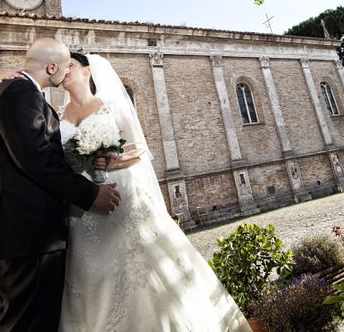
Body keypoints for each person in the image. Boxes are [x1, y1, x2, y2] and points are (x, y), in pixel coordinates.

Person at [57, 52, 251, 331]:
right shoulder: (59, 115)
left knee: (137, 274)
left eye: (70, 65)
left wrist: (111, 158)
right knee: (89, 278)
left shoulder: (110, 105)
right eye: (62, 67)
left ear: (87, 71)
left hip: (119, 195)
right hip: (80, 207)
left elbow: (138, 150)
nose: (65, 71)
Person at [0, 38, 123, 332]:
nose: (64, 76)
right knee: (28, 323)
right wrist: (90, 194)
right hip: (26, 232)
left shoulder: (11, 91)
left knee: (10, 321)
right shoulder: (20, 93)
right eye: (63, 68)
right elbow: (36, 159)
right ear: (51, 67)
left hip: (16, 232)